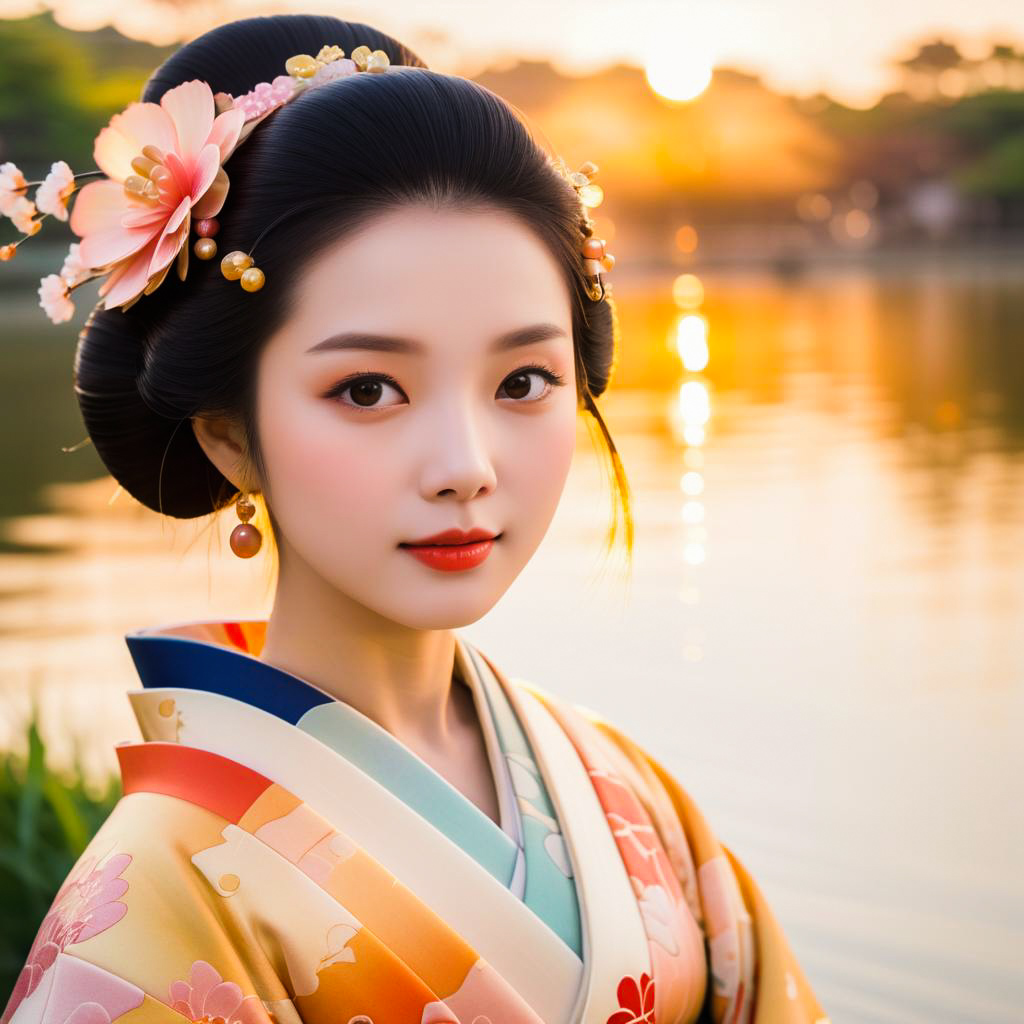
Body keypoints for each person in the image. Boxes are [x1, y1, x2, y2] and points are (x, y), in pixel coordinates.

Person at [0, 14, 827, 1024]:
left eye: (522, 379)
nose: (464, 467)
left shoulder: (622, 790)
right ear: (228, 436)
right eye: (366, 390)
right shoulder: (156, 895)